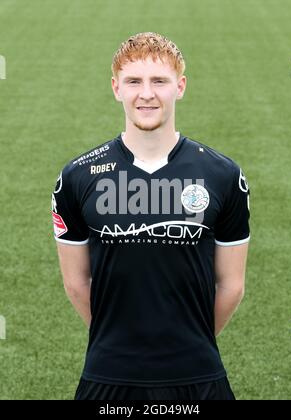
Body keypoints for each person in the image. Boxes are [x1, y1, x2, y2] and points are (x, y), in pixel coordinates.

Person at [51, 32, 250, 400]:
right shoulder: (77, 176)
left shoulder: (222, 175)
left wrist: (190, 340)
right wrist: (116, 339)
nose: (146, 94)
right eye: (134, 81)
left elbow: (231, 285)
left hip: (198, 373)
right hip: (108, 372)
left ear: (181, 86)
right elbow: (76, 283)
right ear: (116, 88)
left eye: (159, 81)